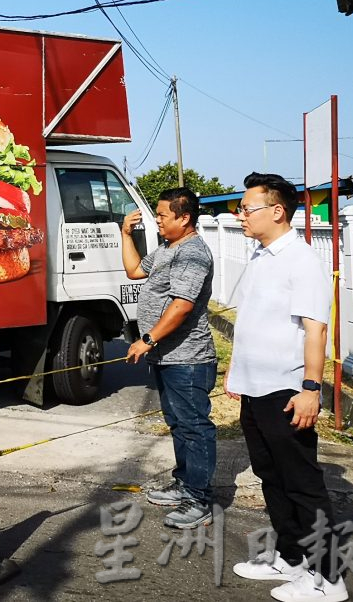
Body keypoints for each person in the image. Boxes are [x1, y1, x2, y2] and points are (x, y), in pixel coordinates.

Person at [226, 173, 347, 602]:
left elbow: (316, 331)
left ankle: (330, 579)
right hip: (255, 388)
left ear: (276, 211)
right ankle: (291, 558)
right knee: (270, 477)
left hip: (286, 391)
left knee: (302, 483)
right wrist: (236, 375)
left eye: (246, 208)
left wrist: (311, 389)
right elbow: (253, 322)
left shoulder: (302, 259)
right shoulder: (261, 256)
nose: (240, 215)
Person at [121, 187, 217, 530]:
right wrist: (125, 233)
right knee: (178, 424)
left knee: (194, 427)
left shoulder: (193, 253)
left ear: (184, 217)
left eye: (163, 215)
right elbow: (134, 271)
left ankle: (200, 499)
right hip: (167, 357)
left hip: (188, 357)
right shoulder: (167, 249)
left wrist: (147, 339)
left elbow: (182, 305)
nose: (158, 220)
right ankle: (184, 484)